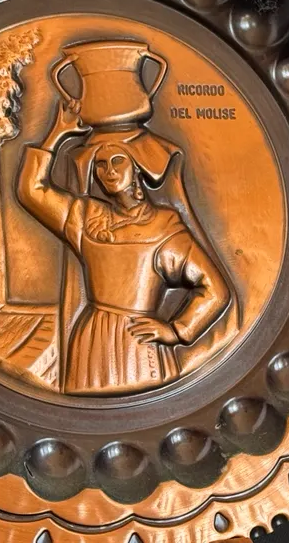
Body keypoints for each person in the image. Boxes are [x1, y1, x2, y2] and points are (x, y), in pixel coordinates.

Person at [17, 95, 231, 395]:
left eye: (118, 160)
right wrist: (57, 133)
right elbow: (31, 191)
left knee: (149, 404)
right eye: (100, 164)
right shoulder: (86, 216)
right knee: (83, 411)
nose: (109, 171)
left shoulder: (163, 226)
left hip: (139, 343)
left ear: (138, 167)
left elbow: (215, 290)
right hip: (92, 341)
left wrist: (177, 330)